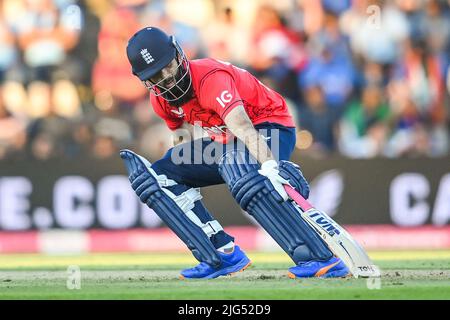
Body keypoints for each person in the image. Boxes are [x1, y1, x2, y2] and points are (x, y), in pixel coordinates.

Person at [122, 27, 349, 279]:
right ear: (145, 80)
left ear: (178, 53)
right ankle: (221, 253)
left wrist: (271, 168)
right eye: (156, 76)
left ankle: (320, 258)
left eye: (167, 66)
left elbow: (244, 128)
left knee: (238, 167)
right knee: (161, 174)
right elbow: (182, 139)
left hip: (270, 127)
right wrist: (183, 178)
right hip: (227, 141)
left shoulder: (211, 78)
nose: (167, 79)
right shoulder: (161, 101)